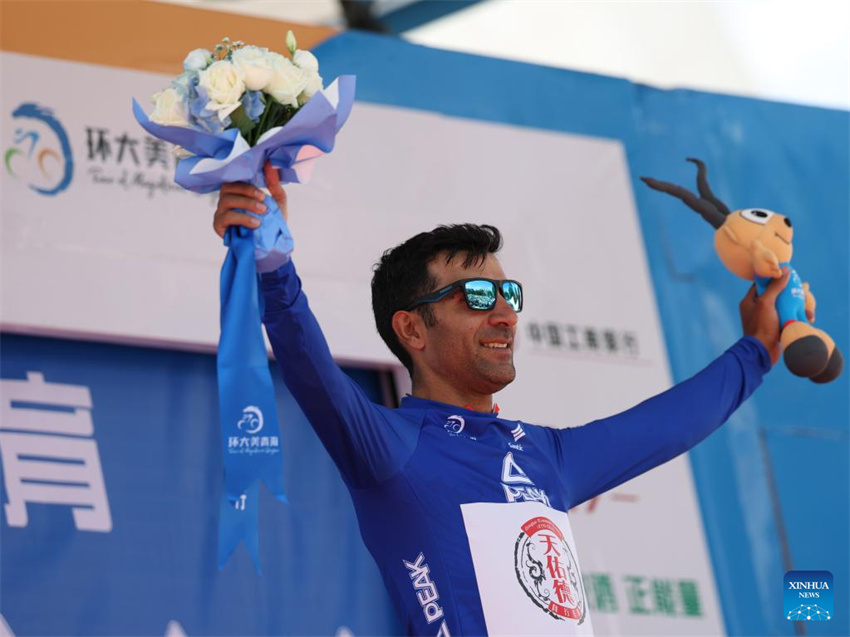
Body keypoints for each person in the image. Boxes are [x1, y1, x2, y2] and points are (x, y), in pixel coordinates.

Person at [214, 163, 789, 635]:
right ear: (412, 329)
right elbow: (309, 364)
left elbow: (667, 424)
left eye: (507, 294)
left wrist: (758, 350)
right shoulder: (392, 448)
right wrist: (272, 264)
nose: (505, 314)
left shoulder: (547, 456)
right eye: (476, 296)